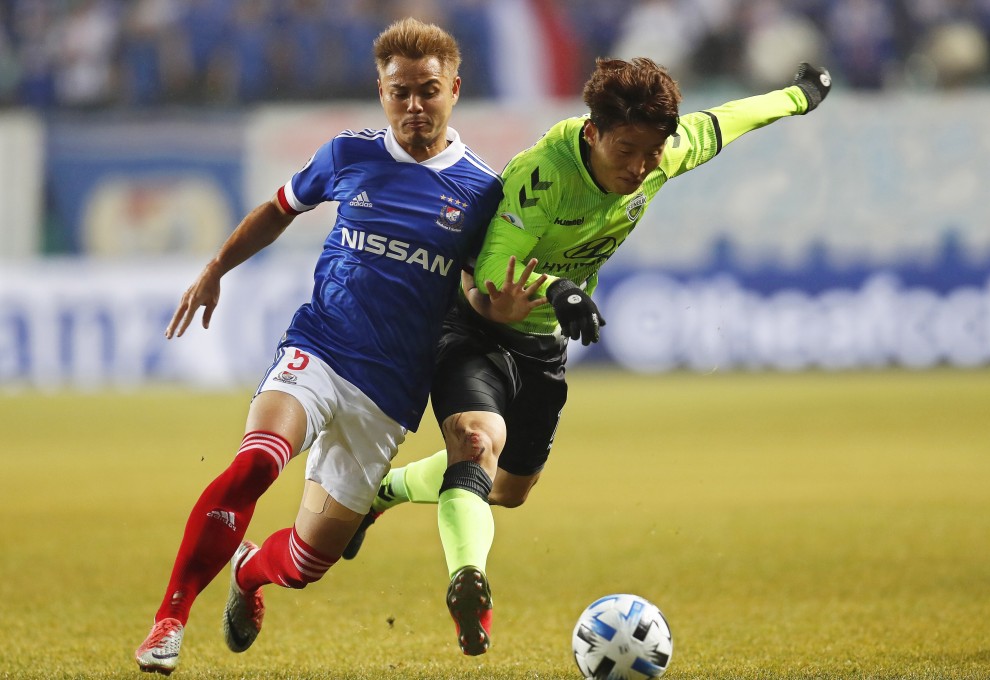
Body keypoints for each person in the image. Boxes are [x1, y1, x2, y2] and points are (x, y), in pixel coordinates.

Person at [343, 58, 833, 656]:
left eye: (652, 153)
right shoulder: (543, 176)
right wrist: (554, 287)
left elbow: (726, 121)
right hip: (476, 323)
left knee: (508, 488)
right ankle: (467, 581)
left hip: (543, 346)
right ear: (593, 132)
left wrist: (799, 97)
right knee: (475, 441)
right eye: (627, 150)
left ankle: (381, 493)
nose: (640, 167)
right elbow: (493, 266)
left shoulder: (661, 153)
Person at [133, 17, 548, 675]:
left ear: (455, 90)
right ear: (381, 91)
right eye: (399, 92)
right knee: (256, 463)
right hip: (319, 348)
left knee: (304, 563)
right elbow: (279, 207)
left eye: (428, 91)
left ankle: (249, 575)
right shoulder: (349, 154)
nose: (414, 106)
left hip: (387, 394)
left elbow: (472, 296)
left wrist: (496, 308)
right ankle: (168, 621)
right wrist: (216, 267)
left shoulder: (481, 192)